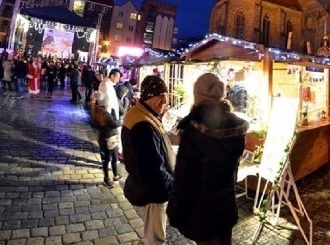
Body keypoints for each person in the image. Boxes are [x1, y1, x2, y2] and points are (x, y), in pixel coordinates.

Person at [167, 73, 249, 245]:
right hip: (226, 204)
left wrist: (175, 211)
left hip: (202, 211)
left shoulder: (194, 129)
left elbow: (185, 179)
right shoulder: (237, 126)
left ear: (199, 96)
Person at [121, 75, 175, 245]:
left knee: (153, 233)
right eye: (160, 97)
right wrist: (173, 186)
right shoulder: (143, 125)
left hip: (148, 188)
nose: (164, 102)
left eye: (165, 97)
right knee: (156, 238)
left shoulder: (142, 113)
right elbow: (153, 170)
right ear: (149, 97)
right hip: (153, 193)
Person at [91, 91, 122, 188]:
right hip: (109, 138)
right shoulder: (103, 113)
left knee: (113, 157)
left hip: (108, 137)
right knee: (108, 158)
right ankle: (107, 178)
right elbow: (115, 124)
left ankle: (115, 175)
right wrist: (121, 120)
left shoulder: (99, 111)